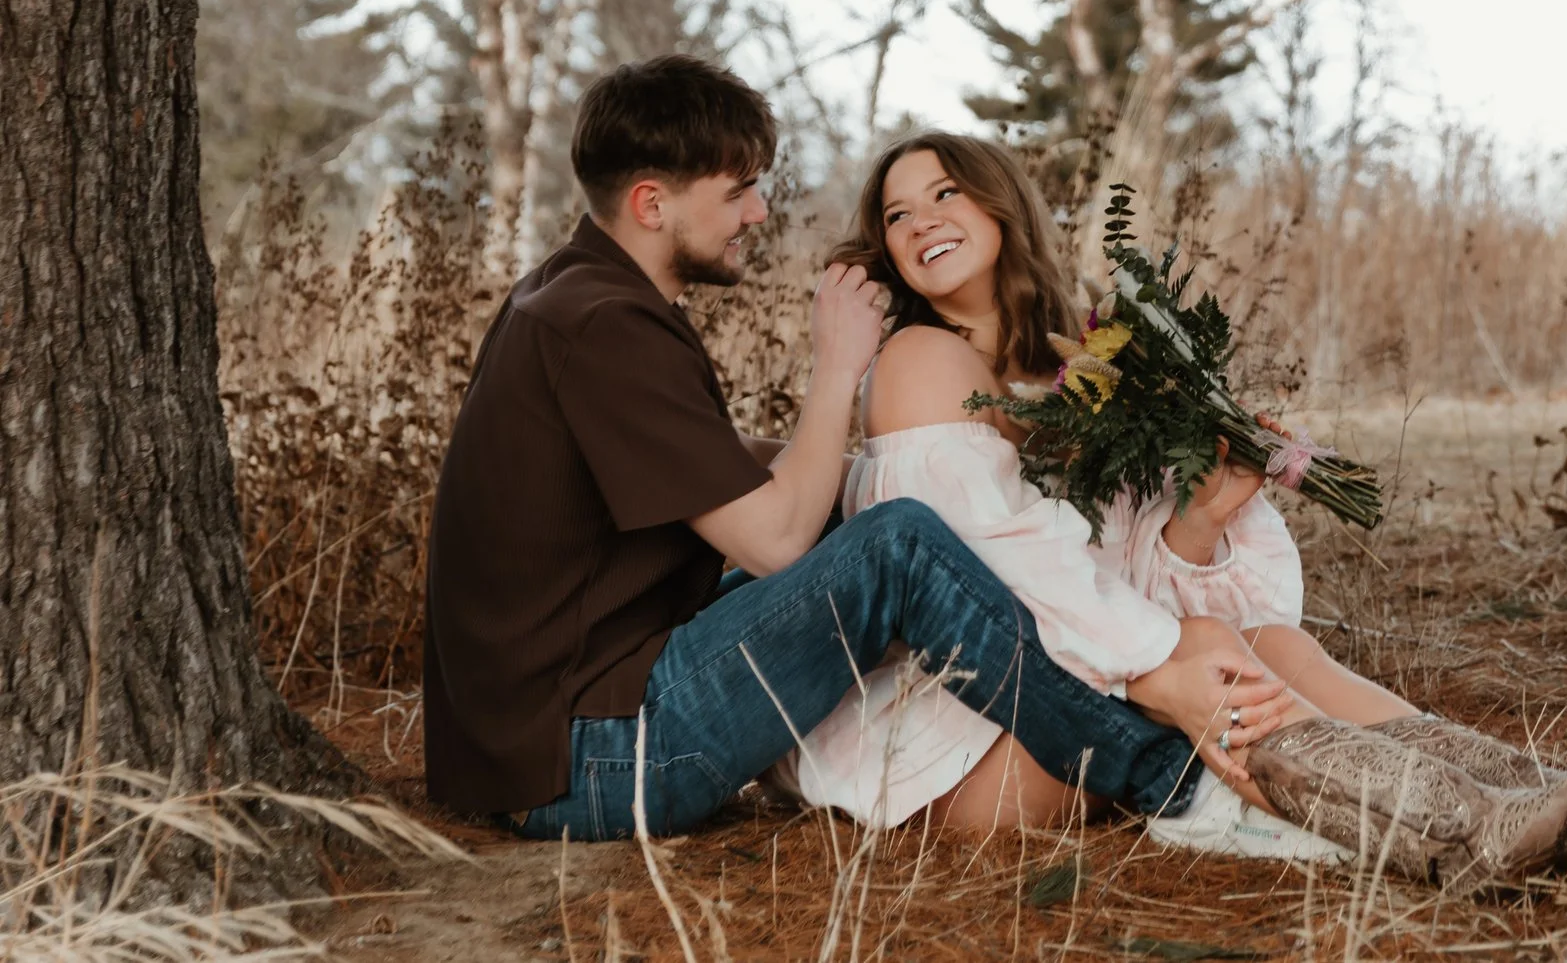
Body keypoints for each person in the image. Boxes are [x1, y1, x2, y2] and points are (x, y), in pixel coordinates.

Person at [771, 132, 1567, 890]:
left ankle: (1543, 790)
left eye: (944, 193)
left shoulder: (1081, 358)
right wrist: (1163, 667)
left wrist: (1199, 519)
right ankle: (1480, 832)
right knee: (1201, 646)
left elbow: (1121, 577)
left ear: (999, 203)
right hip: (965, 736)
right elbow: (1004, 573)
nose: (921, 220)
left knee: (1268, 642)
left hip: (1066, 693)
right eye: (897, 214)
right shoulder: (918, 361)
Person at [421, 57, 1281, 841]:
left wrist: (922, 459)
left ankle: (1138, 695)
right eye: (738, 191)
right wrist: (839, 366)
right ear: (652, 203)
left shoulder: (567, 296)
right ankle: (1175, 778)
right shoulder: (605, 325)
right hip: (593, 760)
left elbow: (721, 463)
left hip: (545, 736)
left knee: (881, 516)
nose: (759, 212)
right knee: (896, 544)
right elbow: (775, 541)